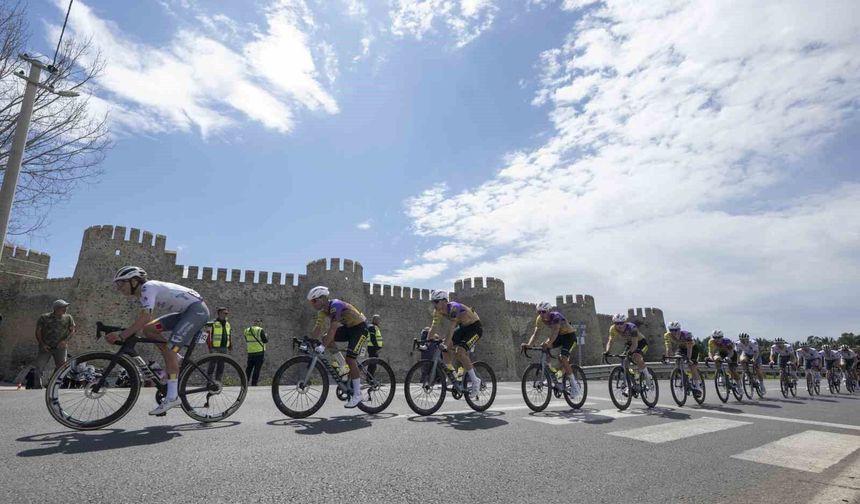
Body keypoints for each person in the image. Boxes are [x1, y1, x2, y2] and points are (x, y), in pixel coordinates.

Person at [106, 266, 210, 415]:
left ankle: (173, 397)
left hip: (197, 312)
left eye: (121, 283)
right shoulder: (143, 294)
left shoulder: (148, 287)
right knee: (149, 329)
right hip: (185, 313)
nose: (118, 288)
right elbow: (145, 321)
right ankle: (177, 359)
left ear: (134, 281)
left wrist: (122, 335)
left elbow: (146, 316)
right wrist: (126, 331)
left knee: (169, 349)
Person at [307, 286, 369, 408]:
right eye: (311, 302)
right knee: (325, 337)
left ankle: (357, 394)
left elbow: (333, 328)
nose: (312, 304)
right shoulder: (323, 312)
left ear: (322, 299)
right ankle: (343, 367)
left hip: (360, 328)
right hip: (349, 328)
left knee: (351, 359)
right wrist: (309, 340)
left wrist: (323, 347)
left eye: (313, 301)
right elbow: (317, 329)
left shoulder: (336, 305)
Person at [428, 289, 483, 398]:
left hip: (475, 327)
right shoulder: (437, 312)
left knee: (460, 352)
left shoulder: (454, 307)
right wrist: (427, 341)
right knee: (444, 350)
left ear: (444, 301)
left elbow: (452, 329)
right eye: (432, 302)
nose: (434, 304)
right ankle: (452, 377)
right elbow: (433, 328)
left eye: (436, 302)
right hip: (463, 328)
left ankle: (475, 381)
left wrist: (445, 343)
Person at [523, 301, 580, 396]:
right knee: (545, 349)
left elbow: (555, 332)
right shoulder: (539, 319)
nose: (541, 314)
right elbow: (536, 334)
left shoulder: (556, 317)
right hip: (558, 336)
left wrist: (548, 343)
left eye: (543, 311)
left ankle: (574, 386)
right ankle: (555, 375)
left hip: (569, 337)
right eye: (539, 312)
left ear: (549, 310)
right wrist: (528, 345)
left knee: (562, 358)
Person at [34, 300, 76, 388]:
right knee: (39, 367)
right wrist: (42, 344)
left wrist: (65, 341)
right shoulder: (44, 317)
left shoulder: (68, 318)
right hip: (46, 347)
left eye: (66, 307)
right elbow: (38, 331)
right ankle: (37, 387)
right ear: (56, 308)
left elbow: (72, 330)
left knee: (61, 367)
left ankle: (51, 385)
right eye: (63, 307)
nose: (65, 309)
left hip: (60, 347)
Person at [604, 313, 652, 388]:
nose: (619, 325)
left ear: (625, 322)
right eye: (616, 323)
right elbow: (610, 341)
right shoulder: (612, 329)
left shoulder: (632, 328)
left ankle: (647, 376)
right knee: (624, 362)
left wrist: (630, 352)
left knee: (636, 357)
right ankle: (631, 382)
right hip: (629, 343)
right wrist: (607, 351)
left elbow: (635, 344)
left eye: (621, 323)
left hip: (640, 343)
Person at [663, 321, 703, 395]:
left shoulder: (686, 335)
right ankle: (684, 376)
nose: (674, 332)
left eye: (676, 330)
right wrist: (668, 358)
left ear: (679, 329)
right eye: (671, 330)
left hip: (692, 349)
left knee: (692, 366)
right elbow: (668, 348)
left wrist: (688, 359)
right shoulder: (667, 335)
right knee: (677, 360)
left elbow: (689, 348)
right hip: (681, 348)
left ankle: (698, 387)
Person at [207, 307, 232, 382]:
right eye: (225, 313)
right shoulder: (213, 323)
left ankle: (218, 382)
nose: (226, 314)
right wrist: (210, 347)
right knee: (212, 364)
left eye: (227, 313)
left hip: (224, 348)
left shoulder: (228, 324)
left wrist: (230, 344)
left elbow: (229, 334)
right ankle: (209, 381)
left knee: (221, 365)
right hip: (215, 348)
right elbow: (208, 335)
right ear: (220, 313)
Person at [243, 319, 268, 386]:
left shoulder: (246, 330)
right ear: (259, 323)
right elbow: (265, 341)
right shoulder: (260, 330)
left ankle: (245, 383)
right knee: (257, 370)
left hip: (250, 352)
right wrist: (265, 336)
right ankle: (254, 384)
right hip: (259, 353)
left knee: (248, 369)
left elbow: (246, 340)